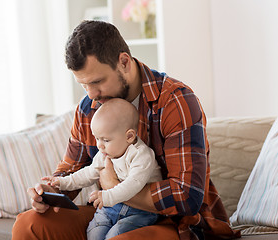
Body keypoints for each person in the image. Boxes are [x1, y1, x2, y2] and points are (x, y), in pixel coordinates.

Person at [12, 20, 240, 240]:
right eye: (84, 85)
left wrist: (114, 187)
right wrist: (50, 190)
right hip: (110, 211)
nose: (91, 94)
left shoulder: (175, 101)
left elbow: (186, 197)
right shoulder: (89, 107)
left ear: (124, 62)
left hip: (173, 223)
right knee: (28, 225)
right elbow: (72, 168)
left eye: (97, 82)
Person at [42, 98, 162, 240]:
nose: (99, 145)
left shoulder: (141, 155)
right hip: (110, 208)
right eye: (97, 138)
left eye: (105, 140)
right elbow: (88, 173)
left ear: (129, 136)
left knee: (116, 234)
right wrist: (62, 182)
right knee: (94, 232)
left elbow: (133, 184)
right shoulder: (106, 153)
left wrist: (107, 196)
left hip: (141, 211)